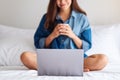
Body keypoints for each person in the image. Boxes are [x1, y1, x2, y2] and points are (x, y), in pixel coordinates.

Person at [20, 0, 108, 72]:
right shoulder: (47, 17)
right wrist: (53, 35)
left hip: (75, 59)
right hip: (52, 59)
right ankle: (73, 69)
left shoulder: (82, 18)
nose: (62, 1)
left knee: (103, 59)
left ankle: (56, 70)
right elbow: (38, 43)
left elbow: (87, 45)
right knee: (25, 56)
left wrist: (72, 35)